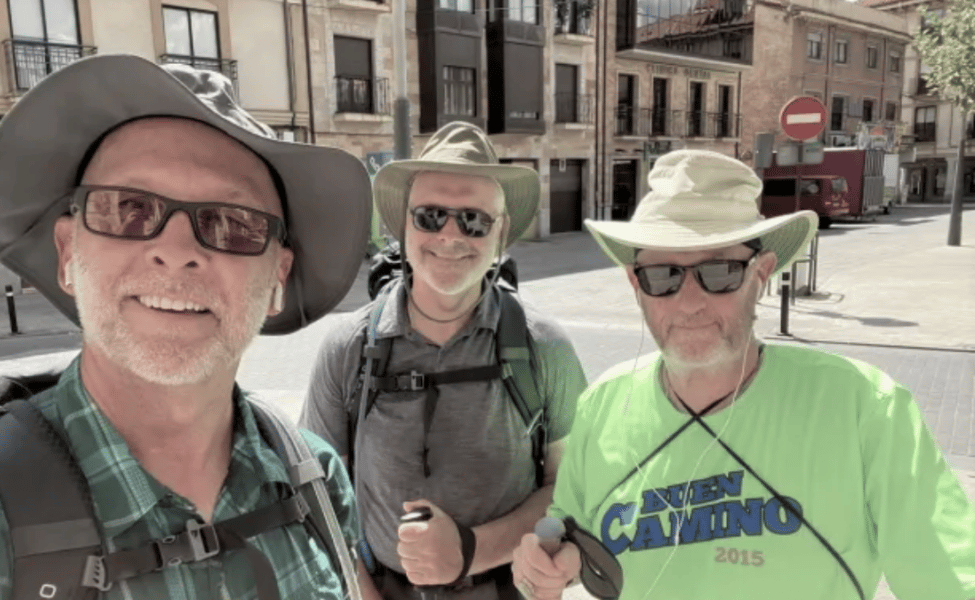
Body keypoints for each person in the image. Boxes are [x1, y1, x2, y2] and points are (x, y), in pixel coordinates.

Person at [0, 54, 374, 599]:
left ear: (278, 276)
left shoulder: (315, 480)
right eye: (127, 208)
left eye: (231, 223)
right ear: (67, 253)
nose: (175, 253)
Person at [511, 149, 975, 599]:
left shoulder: (865, 407)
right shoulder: (604, 404)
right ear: (636, 285)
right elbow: (571, 533)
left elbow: (950, 575)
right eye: (663, 276)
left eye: (720, 272)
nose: (689, 303)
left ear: (762, 273)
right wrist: (550, 565)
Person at [299, 122, 588, 599]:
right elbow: (319, 497)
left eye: (474, 220)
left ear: (500, 237)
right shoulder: (347, 348)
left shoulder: (543, 347)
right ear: (404, 227)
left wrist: (470, 550)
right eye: (431, 216)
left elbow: (574, 489)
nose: (451, 235)